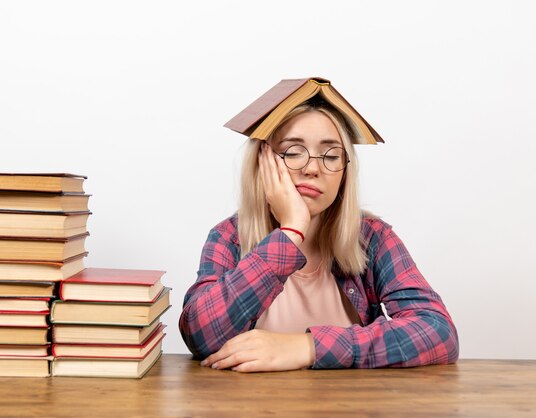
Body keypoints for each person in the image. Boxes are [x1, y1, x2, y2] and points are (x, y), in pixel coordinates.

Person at [178, 88, 459, 373]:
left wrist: (306, 347)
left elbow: (437, 331)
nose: (313, 169)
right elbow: (201, 336)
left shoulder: (373, 238)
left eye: (331, 156)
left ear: (344, 172)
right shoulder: (229, 238)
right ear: (262, 163)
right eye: (293, 152)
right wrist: (290, 232)